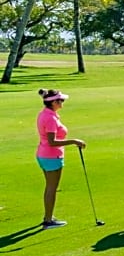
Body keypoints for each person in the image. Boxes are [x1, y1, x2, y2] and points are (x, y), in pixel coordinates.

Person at [36, 89, 86, 229]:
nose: (62, 102)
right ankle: (48, 220)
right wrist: (74, 141)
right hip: (52, 156)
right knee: (52, 188)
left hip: (43, 154)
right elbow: (52, 141)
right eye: (60, 100)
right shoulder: (50, 118)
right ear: (53, 102)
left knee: (49, 187)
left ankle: (48, 217)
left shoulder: (46, 114)